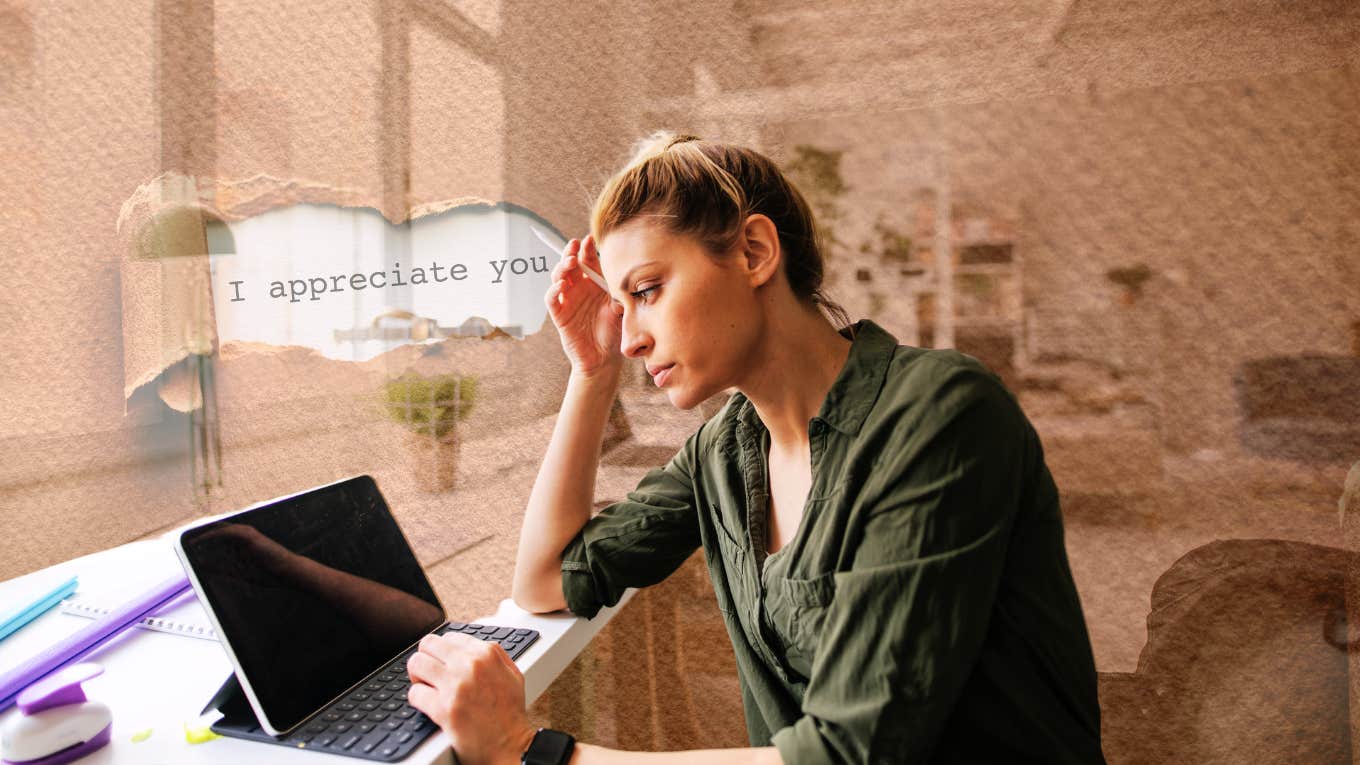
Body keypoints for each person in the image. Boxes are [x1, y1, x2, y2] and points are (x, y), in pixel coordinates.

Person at [405, 132, 1106, 764]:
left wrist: (529, 751)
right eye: (621, 306)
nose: (630, 336)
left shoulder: (942, 415)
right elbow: (548, 580)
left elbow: (850, 753)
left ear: (754, 251)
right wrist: (591, 377)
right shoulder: (725, 450)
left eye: (646, 290)